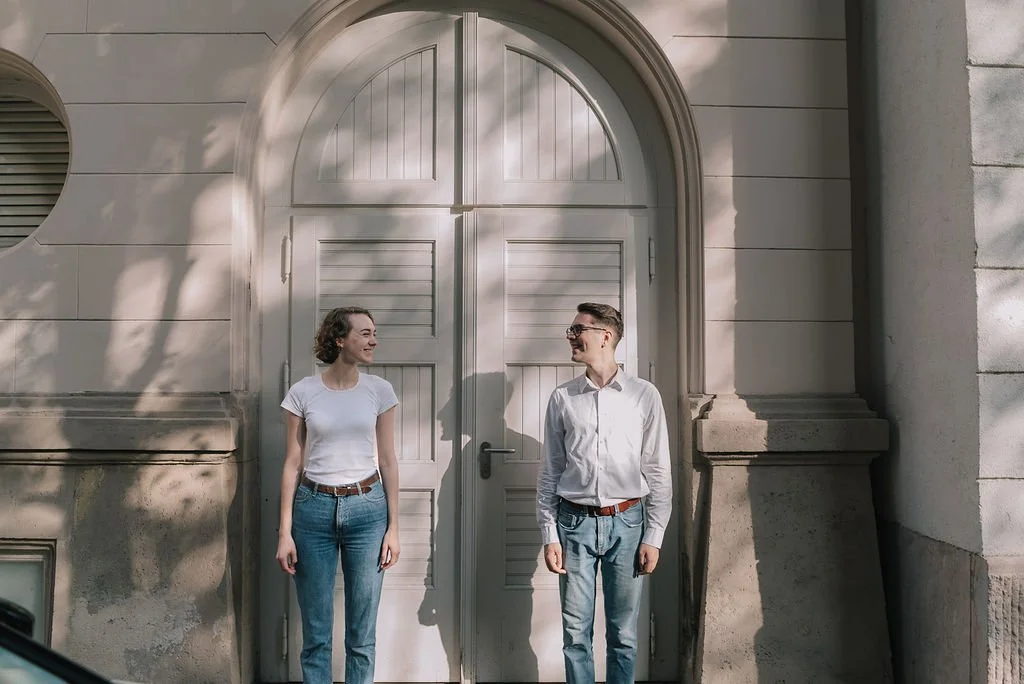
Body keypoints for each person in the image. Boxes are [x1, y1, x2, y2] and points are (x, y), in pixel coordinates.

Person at [537, 302, 672, 684]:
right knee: (575, 634)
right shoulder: (563, 398)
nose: (571, 337)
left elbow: (658, 470)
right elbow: (550, 471)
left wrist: (654, 536)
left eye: (578, 330)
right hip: (573, 523)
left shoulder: (644, 396)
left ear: (605, 336)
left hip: (628, 524)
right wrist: (549, 535)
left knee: (624, 635)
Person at [275, 306, 401, 684]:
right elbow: (291, 464)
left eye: (373, 332)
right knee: (316, 632)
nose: (373, 340)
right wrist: (285, 533)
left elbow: (389, 461)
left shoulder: (380, 390)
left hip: (367, 509)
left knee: (362, 632)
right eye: (364, 333)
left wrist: (394, 527)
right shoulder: (303, 392)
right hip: (312, 511)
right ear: (339, 339)